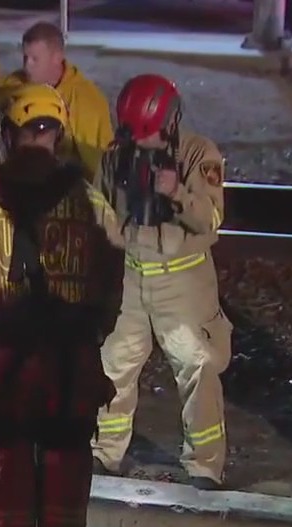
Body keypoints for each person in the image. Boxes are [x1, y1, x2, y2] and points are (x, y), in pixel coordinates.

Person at [0, 83, 121, 526]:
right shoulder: (91, 202)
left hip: (1, 365)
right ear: (58, 135)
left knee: (7, 479)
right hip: (70, 366)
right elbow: (112, 286)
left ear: (7, 133)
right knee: (66, 484)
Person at [90, 74, 232, 491]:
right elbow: (102, 211)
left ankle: (204, 466)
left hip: (183, 280)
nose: (145, 146)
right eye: (138, 137)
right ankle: (104, 454)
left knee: (198, 366)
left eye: (151, 136)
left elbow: (212, 220)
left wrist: (178, 195)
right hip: (132, 278)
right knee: (114, 364)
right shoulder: (116, 156)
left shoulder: (198, 154)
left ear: (170, 121)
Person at [0, 21, 114, 184]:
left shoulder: (87, 100)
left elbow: (98, 165)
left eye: (35, 59)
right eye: (25, 57)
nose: (27, 66)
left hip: (60, 187)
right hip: (7, 180)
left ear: (57, 58)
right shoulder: (9, 86)